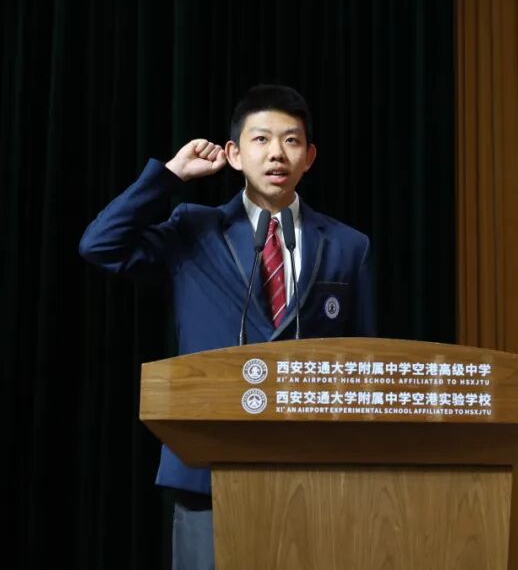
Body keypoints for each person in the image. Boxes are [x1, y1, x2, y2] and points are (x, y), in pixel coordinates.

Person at [78, 84, 376, 569]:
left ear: (309, 157)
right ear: (234, 154)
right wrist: (171, 175)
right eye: (261, 139)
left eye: (291, 140)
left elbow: (363, 361)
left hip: (311, 472)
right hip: (207, 471)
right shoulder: (194, 230)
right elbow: (100, 245)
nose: (276, 153)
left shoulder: (347, 245)